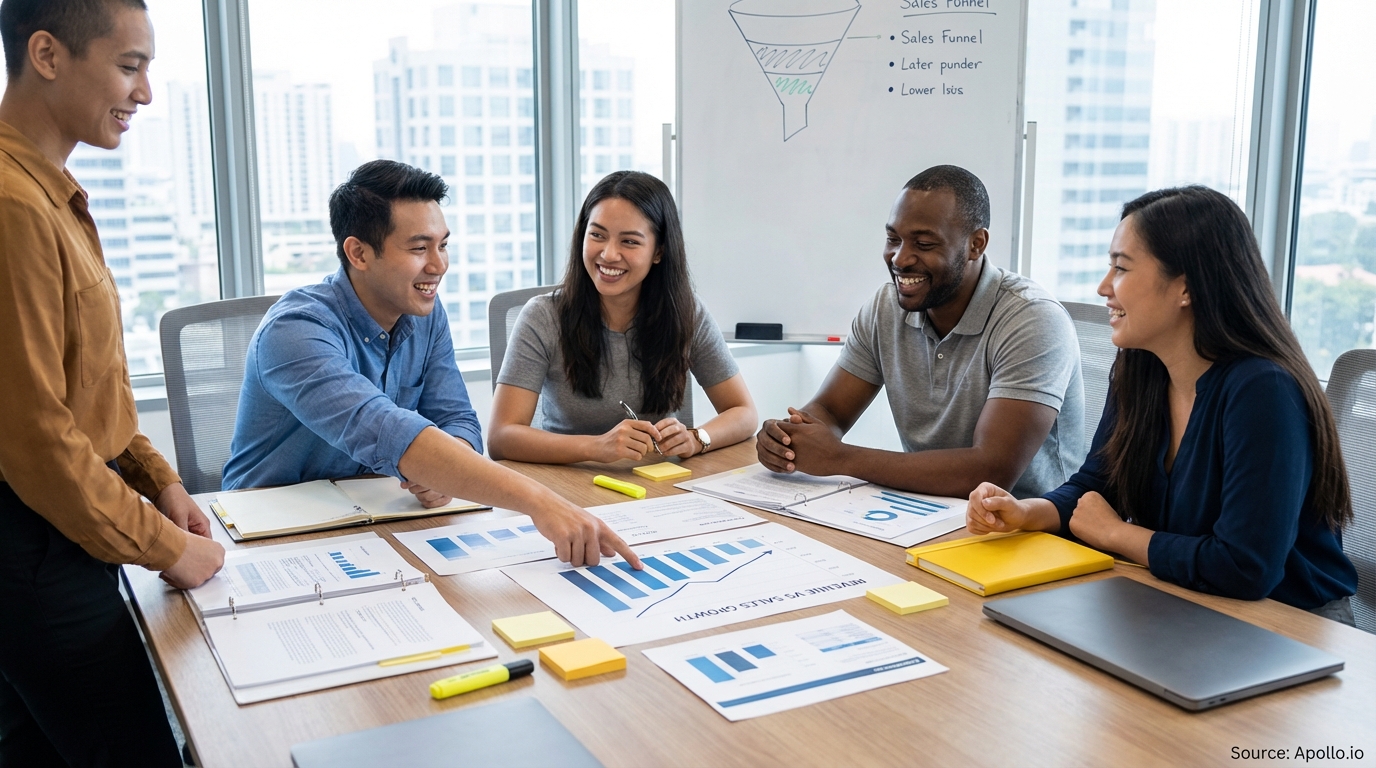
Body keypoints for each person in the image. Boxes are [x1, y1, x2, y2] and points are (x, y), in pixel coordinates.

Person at [0, 0, 225, 764]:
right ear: (48, 54)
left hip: (64, 531)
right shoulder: (11, 207)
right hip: (33, 546)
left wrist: (159, 481)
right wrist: (166, 547)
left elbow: (90, 390)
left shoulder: (49, 194)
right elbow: (36, 439)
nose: (145, 94)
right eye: (130, 67)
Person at [966, 186, 1359, 623]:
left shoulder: (1263, 390)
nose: (1103, 288)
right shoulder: (1141, 368)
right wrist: (1025, 513)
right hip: (1188, 602)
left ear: (1185, 287)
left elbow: (1245, 567)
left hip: (1292, 625)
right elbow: (1096, 488)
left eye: (1120, 268)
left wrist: (1117, 534)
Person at [222, 160, 639, 570]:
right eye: (420, 248)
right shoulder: (294, 331)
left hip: (380, 525)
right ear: (359, 253)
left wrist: (444, 470)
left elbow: (458, 419)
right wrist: (541, 501)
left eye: (443, 245)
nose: (439, 265)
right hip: (271, 538)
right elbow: (386, 430)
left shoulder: (423, 313)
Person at [755, 165, 1084, 498]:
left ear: (976, 244)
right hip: (924, 512)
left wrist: (840, 458)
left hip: (1031, 530)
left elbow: (990, 472)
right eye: (893, 239)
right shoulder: (885, 308)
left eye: (924, 243)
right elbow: (829, 412)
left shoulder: (1032, 320)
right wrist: (786, 439)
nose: (900, 258)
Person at [488, 170, 757, 463]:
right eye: (597, 235)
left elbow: (744, 413)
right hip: (568, 485)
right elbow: (502, 437)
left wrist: (697, 439)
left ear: (658, 252)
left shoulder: (686, 313)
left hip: (658, 488)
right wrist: (597, 447)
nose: (609, 254)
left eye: (629, 242)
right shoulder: (542, 317)